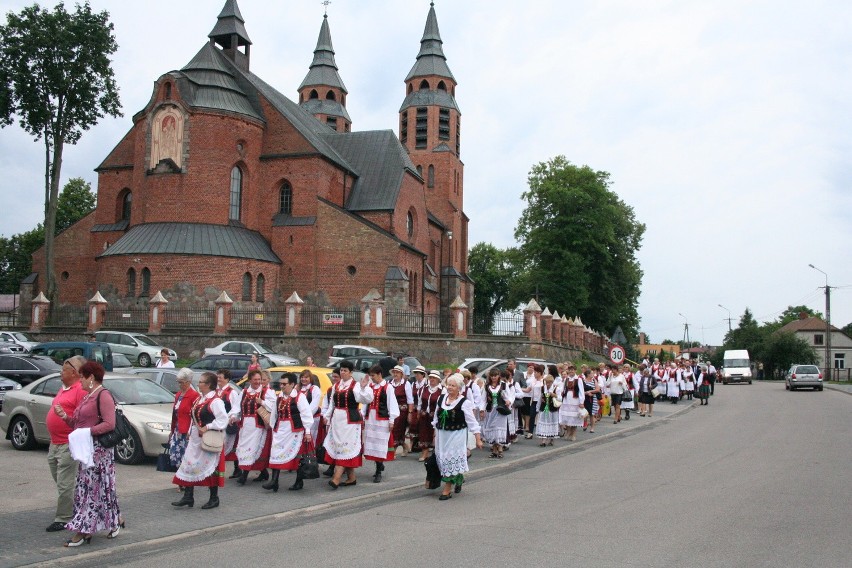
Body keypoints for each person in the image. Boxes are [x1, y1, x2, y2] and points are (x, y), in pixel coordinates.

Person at [53, 361, 122, 547]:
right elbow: (77, 424)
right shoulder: (87, 396)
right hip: (87, 451)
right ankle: (110, 521)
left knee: (95, 490)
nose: (80, 380)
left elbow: (110, 424)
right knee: (91, 490)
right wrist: (65, 417)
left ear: (91, 378)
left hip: (99, 451)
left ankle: (84, 530)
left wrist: (88, 432)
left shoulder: (104, 395)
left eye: (82, 377)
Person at [171, 372, 227, 509]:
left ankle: (214, 498)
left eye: (201, 382)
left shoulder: (216, 401)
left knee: (210, 467)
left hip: (209, 439)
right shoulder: (199, 399)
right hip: (196, 439)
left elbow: (223, 420)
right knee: (189, 464)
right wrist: (191, 431)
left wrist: (208, 426)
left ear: (208, 385)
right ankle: (188, 496)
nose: (198, 384)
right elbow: (193, 417)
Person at [45, 355, 86, 533]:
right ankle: (74, 505)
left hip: (67, 444)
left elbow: (83, 418)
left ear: (74, 372)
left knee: (64, 483)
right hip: (54, 443)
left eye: (63, 370)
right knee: (61, 480)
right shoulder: (64, 389)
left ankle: (63, 517)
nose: (60, 372)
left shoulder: (79, 390)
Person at [432, 373, 483, 500]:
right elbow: (436, 418)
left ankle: (447, 489)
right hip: (442, 435)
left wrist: (478, 438)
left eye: (453, 385)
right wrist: (434, 433)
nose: (449, 387)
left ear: (459, 388)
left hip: (456, 435)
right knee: (443, 459)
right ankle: (458, 478)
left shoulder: (464, 403)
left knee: (451, 458)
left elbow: (472, 422)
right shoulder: (441, 398)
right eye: (448, 385)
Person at [322, 360, 373, 488]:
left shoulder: (356, 385)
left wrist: (363, 387)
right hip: (337, 420)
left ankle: (336, 478)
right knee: (339, 447)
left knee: (347, 447)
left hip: (350, 420)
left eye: (345, 370)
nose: (342, 372)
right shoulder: (336, 386)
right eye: (341, 370)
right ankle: (351, 477)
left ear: (351, 372)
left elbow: (366, 399)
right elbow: (332, 403)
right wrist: (327, 416)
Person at [265, 373, 314, 492]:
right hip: (280, 429)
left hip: (294, 431)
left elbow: (306, 414)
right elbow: (274, 414)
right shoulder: (279, 397)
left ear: (292, 384)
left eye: (284, 384)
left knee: (297, 456)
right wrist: (273, 427)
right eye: (280, 384)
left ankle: (299, 481)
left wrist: (307, 431)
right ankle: (274, 481)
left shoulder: (299, 397)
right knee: (275, 453)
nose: (281, 386)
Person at [235, 369, 275, 485]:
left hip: (258, 425)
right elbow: (237, 407)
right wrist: (233, 416)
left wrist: (262, 402)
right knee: (244, 447)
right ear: (250, 380)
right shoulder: (244, 392)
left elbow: (273, 407)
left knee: (253, 448)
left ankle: (244, 474)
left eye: (259, 379)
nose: (258, 382)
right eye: (255, 379)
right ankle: (263, 472)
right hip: (245, 425)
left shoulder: (266, 392)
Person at [363, 364, 400, 482]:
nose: (371, 378)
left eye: (373, 375)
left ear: (379, 374)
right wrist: (363, 415)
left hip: (382, 419)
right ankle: (379, 465)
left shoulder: (388, 387)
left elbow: (392, 404)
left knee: (380, 444)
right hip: (371, 418)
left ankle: (378, 470)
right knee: (373, 444)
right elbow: (365, 402)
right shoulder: (370, 386)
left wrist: (391, 420)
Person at [169, 368, 200, 480]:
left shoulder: (194, 395)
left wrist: (191, 431)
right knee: (176, 456)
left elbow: (194, 415)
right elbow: (175, 415)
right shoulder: (178, 395)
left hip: (187, 432)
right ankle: (180, 479)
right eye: (178, 382)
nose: (179, 385)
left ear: (188, 382)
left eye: (181, 382)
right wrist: (172, 430)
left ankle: (186, 480)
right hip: (177, 430)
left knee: (186, 457)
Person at [482, 368, 514, 458]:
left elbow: (508, 396)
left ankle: (500, 448)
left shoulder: (503, 385)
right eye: (492, 376)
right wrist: (481, 410)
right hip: (490, 410)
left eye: (495, 376)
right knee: (491, 428)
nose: (493, 378)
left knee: (498, 429)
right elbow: (483, 399)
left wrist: (508, 401)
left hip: (500, 410)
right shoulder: (487, 386)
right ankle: (494, 449)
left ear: (498, 376)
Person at [217, 369, 241, 478]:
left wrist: (231, 418)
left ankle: (237, 469)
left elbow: (236, 408)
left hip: (228, 424)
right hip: (218, 424)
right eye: (217, 377)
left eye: (220, 378)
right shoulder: (217, 392)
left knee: (232, 447)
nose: (218, 380)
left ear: (227, 379)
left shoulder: (232, 392)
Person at [416, 370, 443, 461]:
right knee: (423, 433)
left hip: (435, 416)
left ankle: (436, 453)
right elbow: (420, 401)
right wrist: (418, 412)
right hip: (424, 415)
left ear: (438, 379)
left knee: (435, 434)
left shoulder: (442, 390)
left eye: (434, 378)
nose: (431, 379)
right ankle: (425, 452)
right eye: (430, 378)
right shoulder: (424, 388)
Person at [389, 365, 413, 457]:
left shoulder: (406, 384)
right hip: (391, 411)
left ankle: (393, 451)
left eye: (397, 373)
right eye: (394, 372)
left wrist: (410, 413)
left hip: (402, 411)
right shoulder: (389, 383)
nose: (395, 374)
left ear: (401, 374)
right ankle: (404, 446)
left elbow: (410, 400)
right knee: (393, 430)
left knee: (398, 430)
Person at [558, 367, 584, 441]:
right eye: (570, 370)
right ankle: (568, 431)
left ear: (575, 370)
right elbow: (563, 390)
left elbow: (581, 391)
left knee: (574, 418)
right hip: (566, 400)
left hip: (575, 400)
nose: (571, 371)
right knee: (567, 417)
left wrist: (581, 402)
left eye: (572, 370)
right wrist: (561, 398)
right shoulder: (566, 379)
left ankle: (573, 434)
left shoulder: (578, 379)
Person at [535, 374, 561, 446]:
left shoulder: (556, 388)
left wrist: (555, 395)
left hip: (552, 409)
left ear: (552, 382)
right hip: (544, 408)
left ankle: (551, 439)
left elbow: (560, 399)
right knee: (543, 423)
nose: (547, 384)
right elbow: (539, 398)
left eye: (549, 382)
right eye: (546, 382)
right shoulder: (543, 388)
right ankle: (543, 440)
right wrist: (538, 408)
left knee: (552, 423)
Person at [298, 369, 322, 442]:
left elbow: (314, 406)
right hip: (299, 419)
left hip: (312, 419)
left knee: (310, 438)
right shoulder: (298, 388)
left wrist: (306, 417)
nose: (303, 379)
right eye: (302, 377)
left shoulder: (314, 389)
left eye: (306, 377)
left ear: (310, 378)